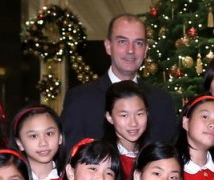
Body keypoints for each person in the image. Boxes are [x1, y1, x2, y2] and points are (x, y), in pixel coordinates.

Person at [60, 14, 177, 151]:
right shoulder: (80, 99)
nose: (131, 50)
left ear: (145, 50)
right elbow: (68, 157)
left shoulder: (162, 102)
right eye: (122, 41)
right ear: (108, 46)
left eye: (138, 43)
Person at [11, 105, 65, 180]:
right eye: (34, 136)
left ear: (60, 136)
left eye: (49, 134)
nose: (43, 143)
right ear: (19, 143)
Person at [103, 82, 150, 180]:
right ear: (109, 117)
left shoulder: (151, 158)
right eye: (124, 115)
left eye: (139, 114)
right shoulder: (100, 159)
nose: (133, 123)